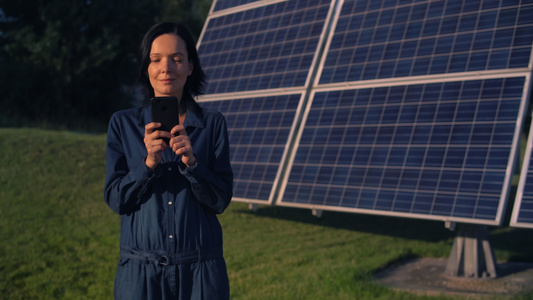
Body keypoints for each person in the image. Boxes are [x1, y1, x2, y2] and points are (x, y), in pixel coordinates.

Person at [104, 21, 233, 299]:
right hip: (140, 274)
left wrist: (193, 164)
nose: (166, 67)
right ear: (146, 68)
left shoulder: (212, 125)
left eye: (177, 59)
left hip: (201, 272)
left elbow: (221, 199)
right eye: (156, 59)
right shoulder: (122, 124)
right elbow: (116, 200)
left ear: (190, 66)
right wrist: (148, 163)